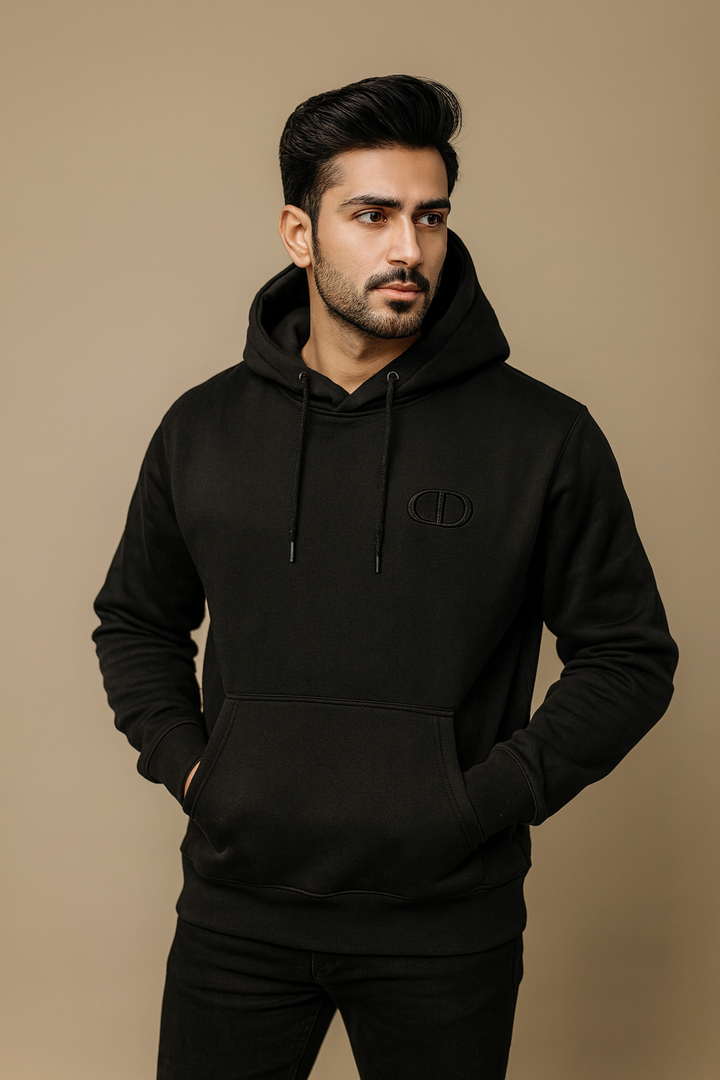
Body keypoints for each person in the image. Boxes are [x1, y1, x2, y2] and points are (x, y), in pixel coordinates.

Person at [93, 75, 678, 1080]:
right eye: (372, 215)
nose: (409, 248)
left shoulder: (543, 436)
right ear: (300, 232)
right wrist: (198, 775)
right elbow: (136, 623)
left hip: (445, 929)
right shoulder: (203, 428)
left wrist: (478, 803)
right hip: (237, 914)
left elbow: (629, 658)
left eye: (430, 217)